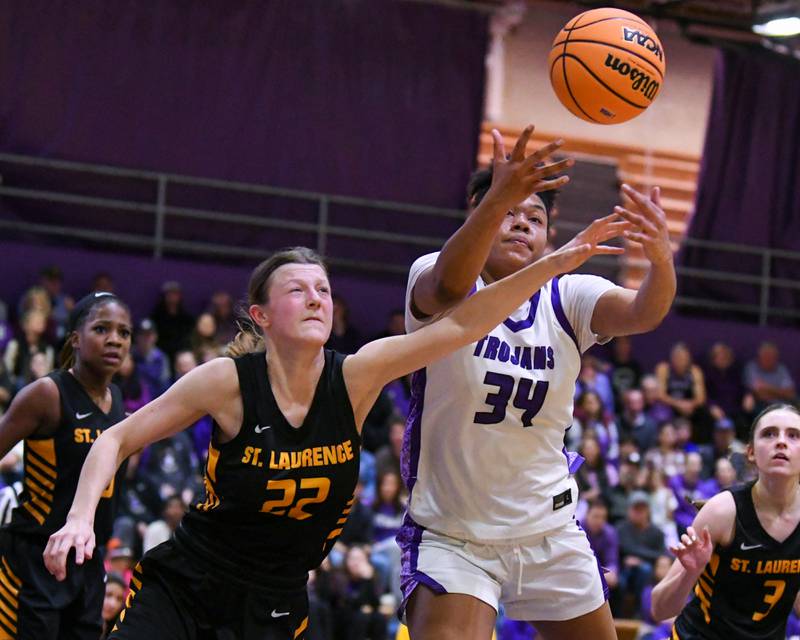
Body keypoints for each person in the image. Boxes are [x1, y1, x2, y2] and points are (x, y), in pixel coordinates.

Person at [43, 219, 624, 640]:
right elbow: (116, 438)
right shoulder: (225, 381)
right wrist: (78, 518)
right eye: (297, 289)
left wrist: (552, 264)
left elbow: (463, 324)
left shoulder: (358, 375)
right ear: (263, 316)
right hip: (189, 582)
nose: (316, 297)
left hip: (278, 596)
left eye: (323, 288)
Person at [400, 125, 675, 640]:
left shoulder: (567, 295)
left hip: (546, 529)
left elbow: (643, 312)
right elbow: (452, 285)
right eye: (507, 212)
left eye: (535, 217)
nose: (521, 223)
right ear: (475, 217)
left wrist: (660, 259)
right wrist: (498, 195)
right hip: (455, 533)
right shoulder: (437, 274)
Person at [0, 292, 131, 639]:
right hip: (34, 558)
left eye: (124, 332)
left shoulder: (117, 401)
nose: (115, 339)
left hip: (88, 563)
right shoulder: (46, 394)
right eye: (102, 329)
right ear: (75, 338)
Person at [651, 404, 800, 639]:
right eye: (769, 433)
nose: (781, 441)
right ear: (751, 452)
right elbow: (660, 608)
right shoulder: (722, 511)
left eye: (793, 435)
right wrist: (691, 572)